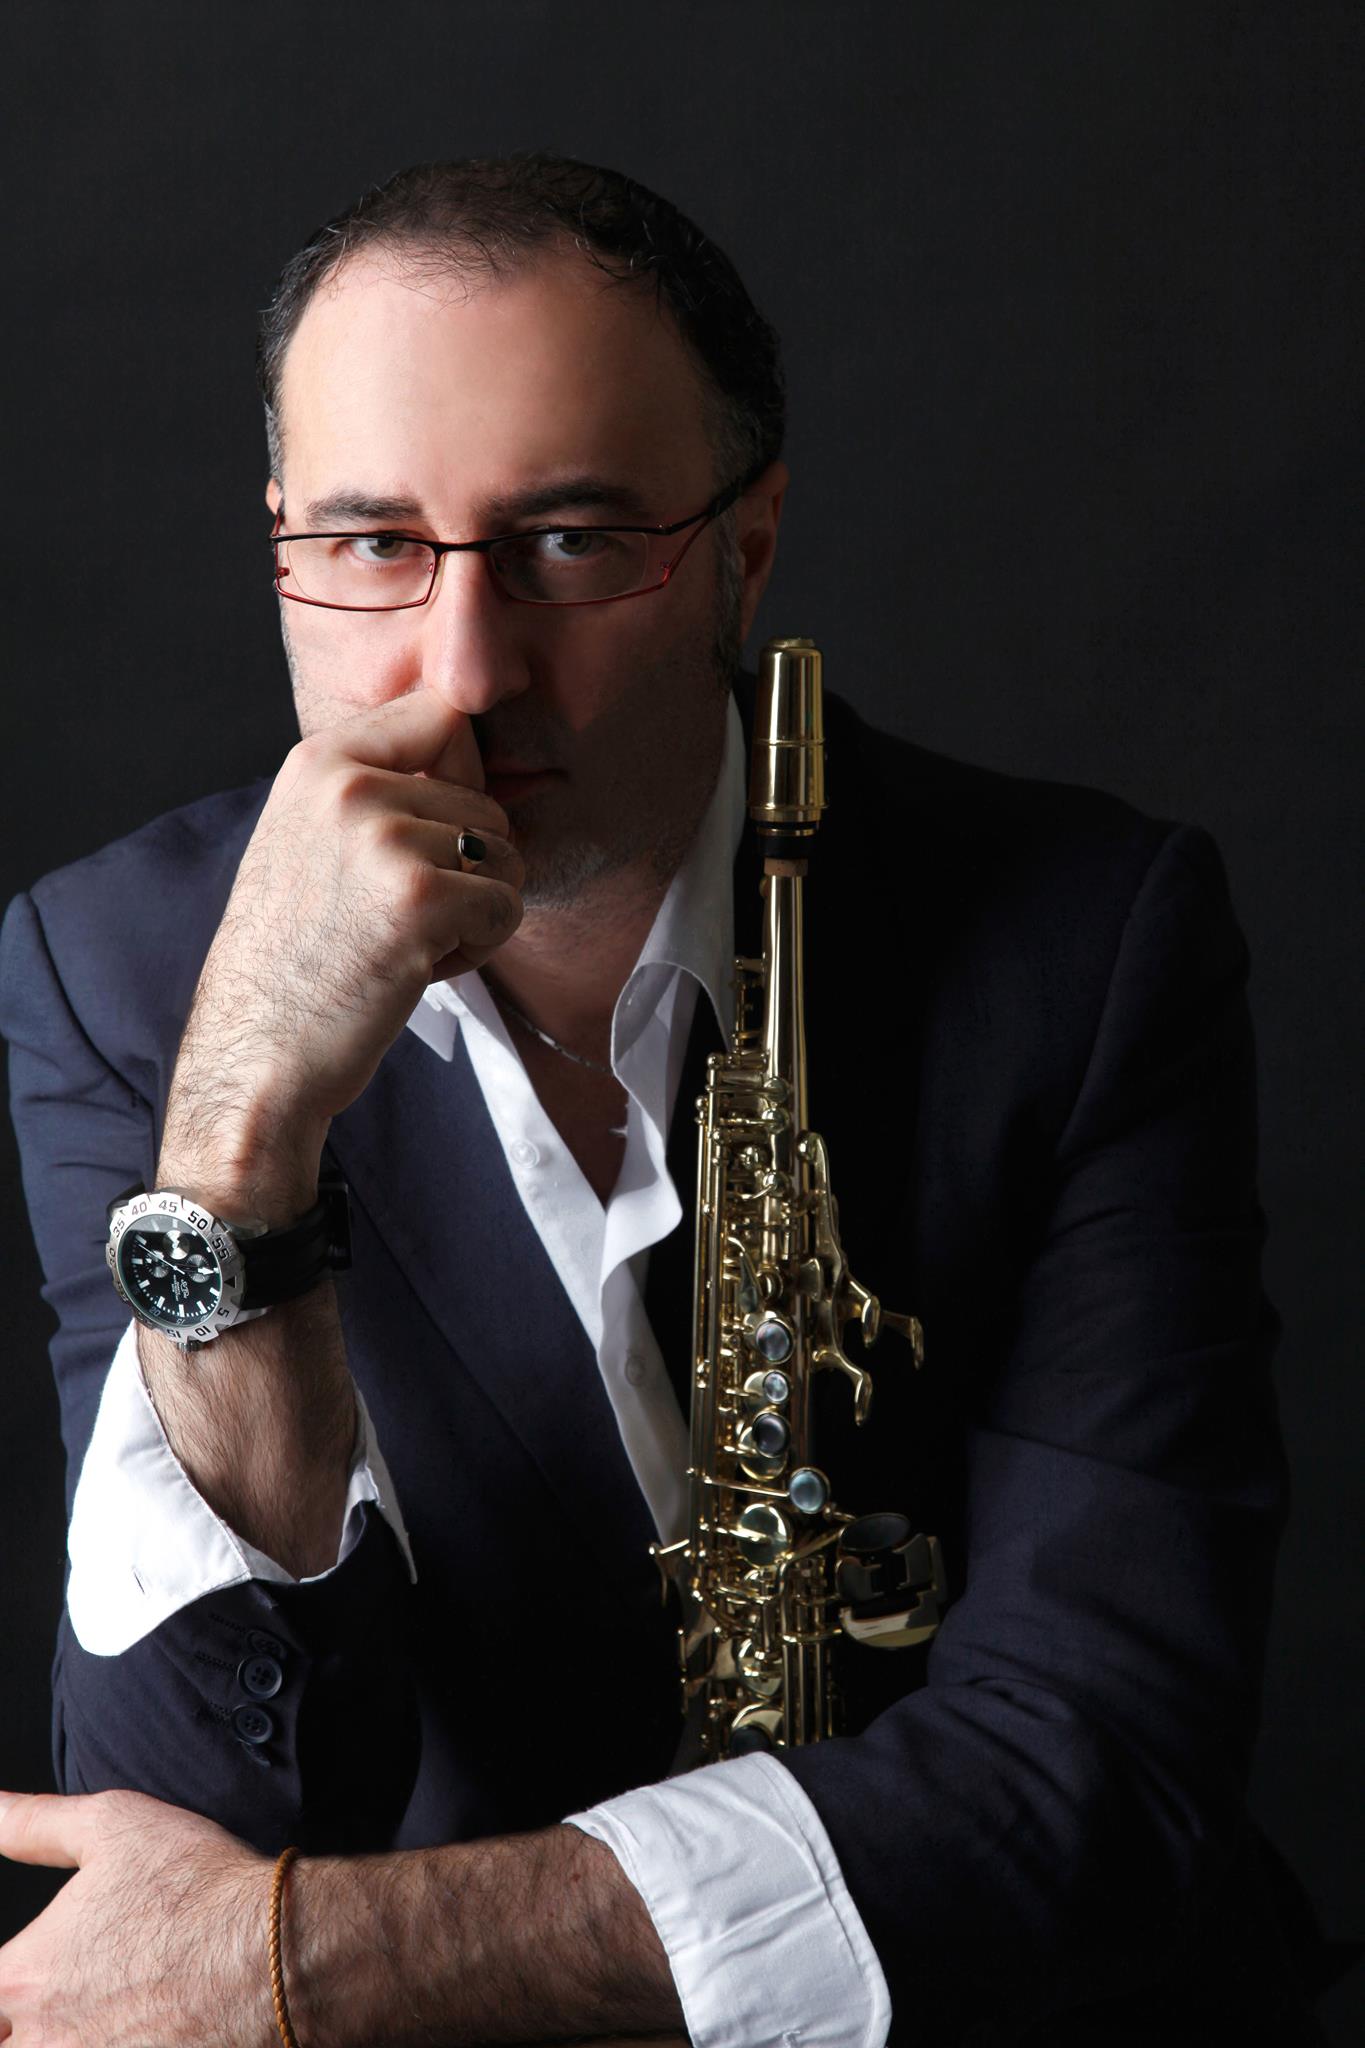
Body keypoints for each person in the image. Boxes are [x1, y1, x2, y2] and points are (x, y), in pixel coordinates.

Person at [0, 154, 1328, 2046]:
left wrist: (320, 1959)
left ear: (744, 545)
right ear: (280, 535)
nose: (463, 670)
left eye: (568, 541)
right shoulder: (114, 974)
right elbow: (199, 1801)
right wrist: (236, 1132)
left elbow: (1095, 1781)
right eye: (371, 543)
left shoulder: (1087, 940)